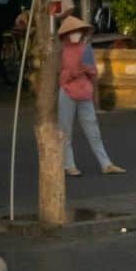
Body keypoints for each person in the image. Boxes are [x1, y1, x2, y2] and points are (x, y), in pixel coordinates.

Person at [55, 13, 121, 177]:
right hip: (67, 92)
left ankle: (106, 164)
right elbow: (60, 75)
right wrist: (73, 73)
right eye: (72, 31)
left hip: (84, 92)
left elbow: (93, 72)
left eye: (78, 31)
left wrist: (95, 98)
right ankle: (68, 164)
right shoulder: (62, 51)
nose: (75, 34)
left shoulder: (86, 49)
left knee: (93, 130)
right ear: (66, 35)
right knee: (65, 130)